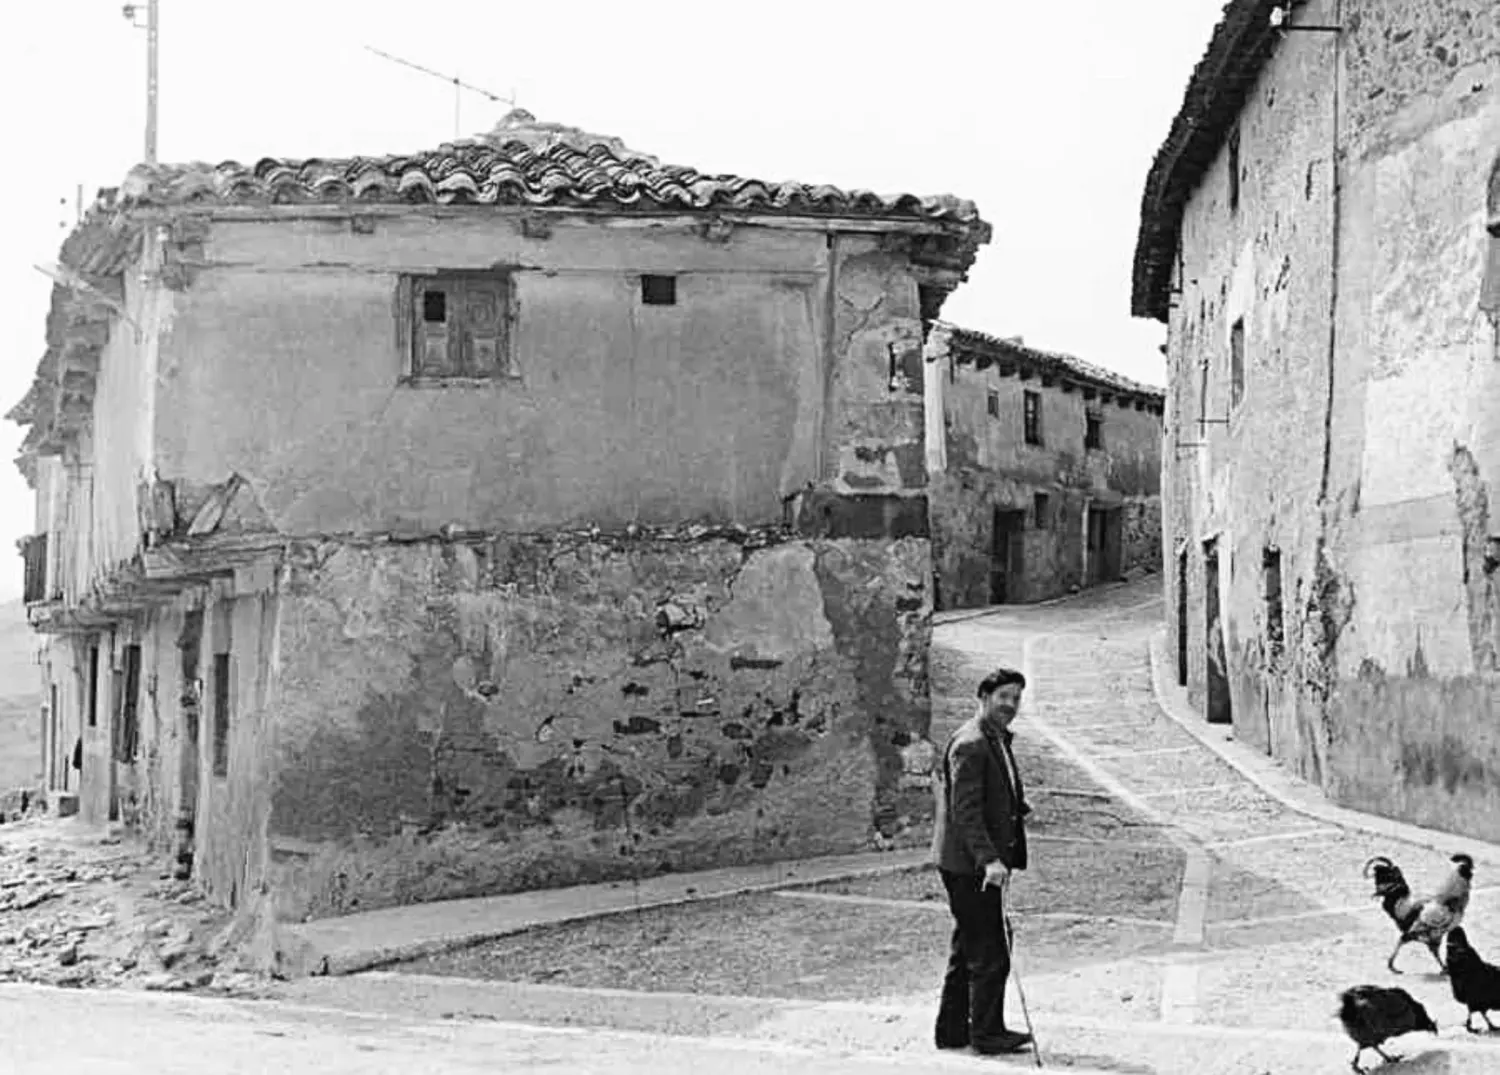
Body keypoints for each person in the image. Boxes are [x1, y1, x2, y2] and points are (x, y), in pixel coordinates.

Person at [930, 666, 1033, 1056]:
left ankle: (953, 1030)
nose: (1010, 705)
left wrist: (1016, 807)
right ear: (984, 697)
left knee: (969, 945)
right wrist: (989, 859)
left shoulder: (994, 738)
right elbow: (965, 810)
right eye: (1004, 697)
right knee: (992, 948)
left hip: (967, 863)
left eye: (1016, 698)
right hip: (969, 866)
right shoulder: (972, 743)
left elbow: (994, 787)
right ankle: (987, 1034)